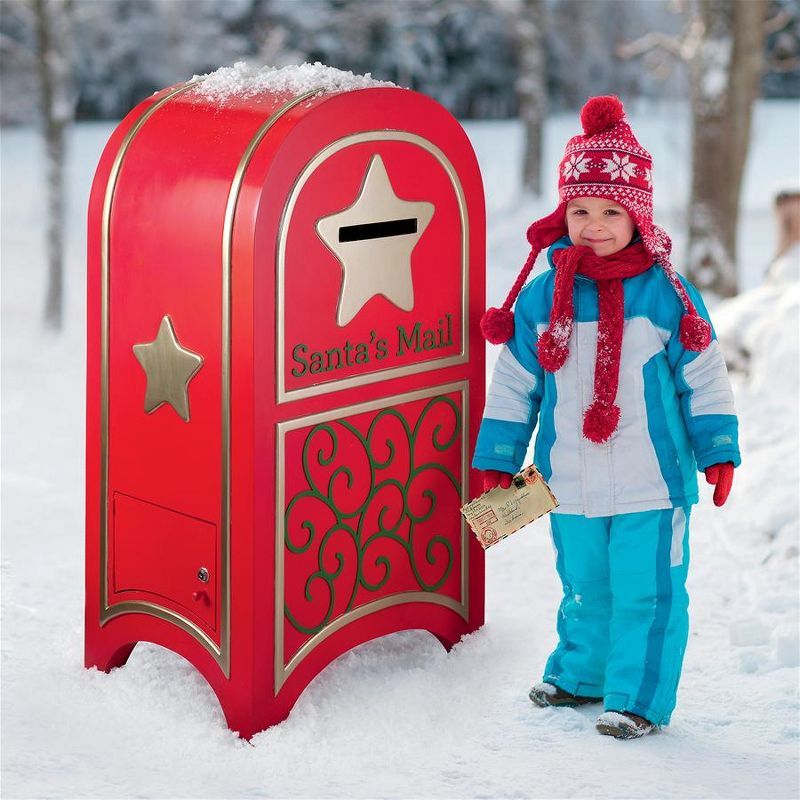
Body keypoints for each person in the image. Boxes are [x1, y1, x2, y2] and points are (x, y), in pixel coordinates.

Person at [473, 95, 740, 740]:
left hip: (653, 482)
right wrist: (495, 460)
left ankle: (638, 697)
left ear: (637, 215)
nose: (594, 224)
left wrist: (719, 450)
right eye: (581, 210)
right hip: (569, 479)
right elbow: (515, 384)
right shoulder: (544, 295)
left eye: (610, 211)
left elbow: (702, 377)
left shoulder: (667, 294)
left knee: (647, 594)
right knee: (585, 583)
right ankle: (581, 675)